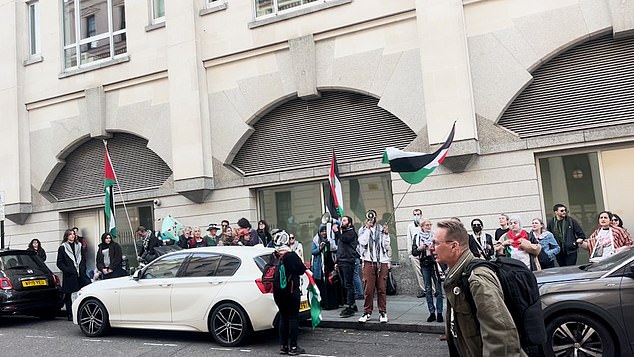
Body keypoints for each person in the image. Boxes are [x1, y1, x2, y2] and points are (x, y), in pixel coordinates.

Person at [434, 220, 525, 357]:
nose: (431, 247)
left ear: (454, 246)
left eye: (436, 243)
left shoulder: (477, 279)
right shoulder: (456, 276)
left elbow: (501, 336)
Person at [272, 231, 308, 356]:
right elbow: (301, 269)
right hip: (291, 291)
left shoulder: (274, 255)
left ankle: (283, 346)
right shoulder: (291, 255)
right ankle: (293, 347)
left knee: (283, 317)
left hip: (278, 292)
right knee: (293, 317)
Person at [357, 210, 391, 323]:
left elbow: (386, 246)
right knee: (369, 289)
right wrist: (367, 229)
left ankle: (383, 312)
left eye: (372, 219)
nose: (371, 221)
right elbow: (363, 242)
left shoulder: (381, 229)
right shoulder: (362, 230)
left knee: (381, 288)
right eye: (369, 219)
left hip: (381, 261)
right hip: (368, 261)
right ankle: (367, 312)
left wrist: (386, 234)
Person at [412, 218, 443, 323]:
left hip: (435, 264)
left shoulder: (435, 236)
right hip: (424, 264)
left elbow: (441, 249)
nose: (429, 227)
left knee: (438, 290)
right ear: (422, 227)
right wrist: (420, 248)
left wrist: (433, 248)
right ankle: (431, 313)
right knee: (428, 289)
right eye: (427, 225)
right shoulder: (417, 237)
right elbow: (414, 252)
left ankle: (439, 313)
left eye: (430, 225)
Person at [57, 229, 89, 321]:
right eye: (70, 234)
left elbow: (83, 259)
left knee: (80, 294)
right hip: (69, 275)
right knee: (69, 296)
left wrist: (82, 270)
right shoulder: (62, 248)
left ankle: (81, 313)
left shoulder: (79, 246)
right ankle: (70, 314)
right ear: (66, 236)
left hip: (80, 275)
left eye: (73, 234)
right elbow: (59, 263)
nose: (72, 236)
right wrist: (69, 270)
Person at [333, 215, 359, 318]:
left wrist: (337, 232)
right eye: (341, 220)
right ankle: (352, 304)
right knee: (345, 284)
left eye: (344, 221)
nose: (341, 222)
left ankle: (350, 306)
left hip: (348, 261)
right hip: (342, 261)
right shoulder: (342, 233)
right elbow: (340, 248)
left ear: (349, 223)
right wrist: (337, 261)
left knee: (348, 284)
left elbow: (344, 240)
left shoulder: (351, 233)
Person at [311, 224, 338, 310]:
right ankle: (324, 304)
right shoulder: (315, 240)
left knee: (331, 284)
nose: (324, 233)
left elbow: (335, 249)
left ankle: (332, 304)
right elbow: (313, 251)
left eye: (325, 231)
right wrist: (320, 248)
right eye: (322, 231)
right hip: (320, 266)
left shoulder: (330, 239)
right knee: (322, 286)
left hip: (329, 265)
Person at [407, 208, 426, 298]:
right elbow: (408, 239)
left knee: (428, 272)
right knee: (418, 273)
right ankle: (423, 290)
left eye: (418, 214)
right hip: (415, 253)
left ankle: (433, 290)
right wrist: (410, 253)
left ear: (421, 215)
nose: (416, 216)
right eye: (415, 214)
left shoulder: (425, 224)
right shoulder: (410, 226)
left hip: (425, 252)